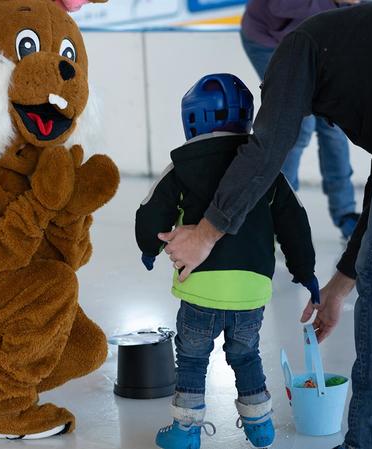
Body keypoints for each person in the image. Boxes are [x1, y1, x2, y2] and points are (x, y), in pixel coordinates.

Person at [162, 3, 372, 448]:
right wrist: (338, 286)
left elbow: (267, 149)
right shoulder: (361, 51)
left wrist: (204, 234)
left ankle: (371, 441)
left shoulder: (297, 49)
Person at [136, 74, 319, 449]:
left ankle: (186, 432)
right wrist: (305, 271)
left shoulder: (182, 166)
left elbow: (151, 212)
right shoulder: (264, 169)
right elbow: (295, 221)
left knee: (191, 357)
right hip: (250, 291)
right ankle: (260, 426)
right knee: (246, 354)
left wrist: (148, 248)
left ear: (191, 120)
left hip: (200, 286)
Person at [241, 0, 360, 238]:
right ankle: (280, 214)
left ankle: (346, 213)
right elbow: (280, 6)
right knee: (296, 122)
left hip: (321, 42)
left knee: (333, 124)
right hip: (269, 40)